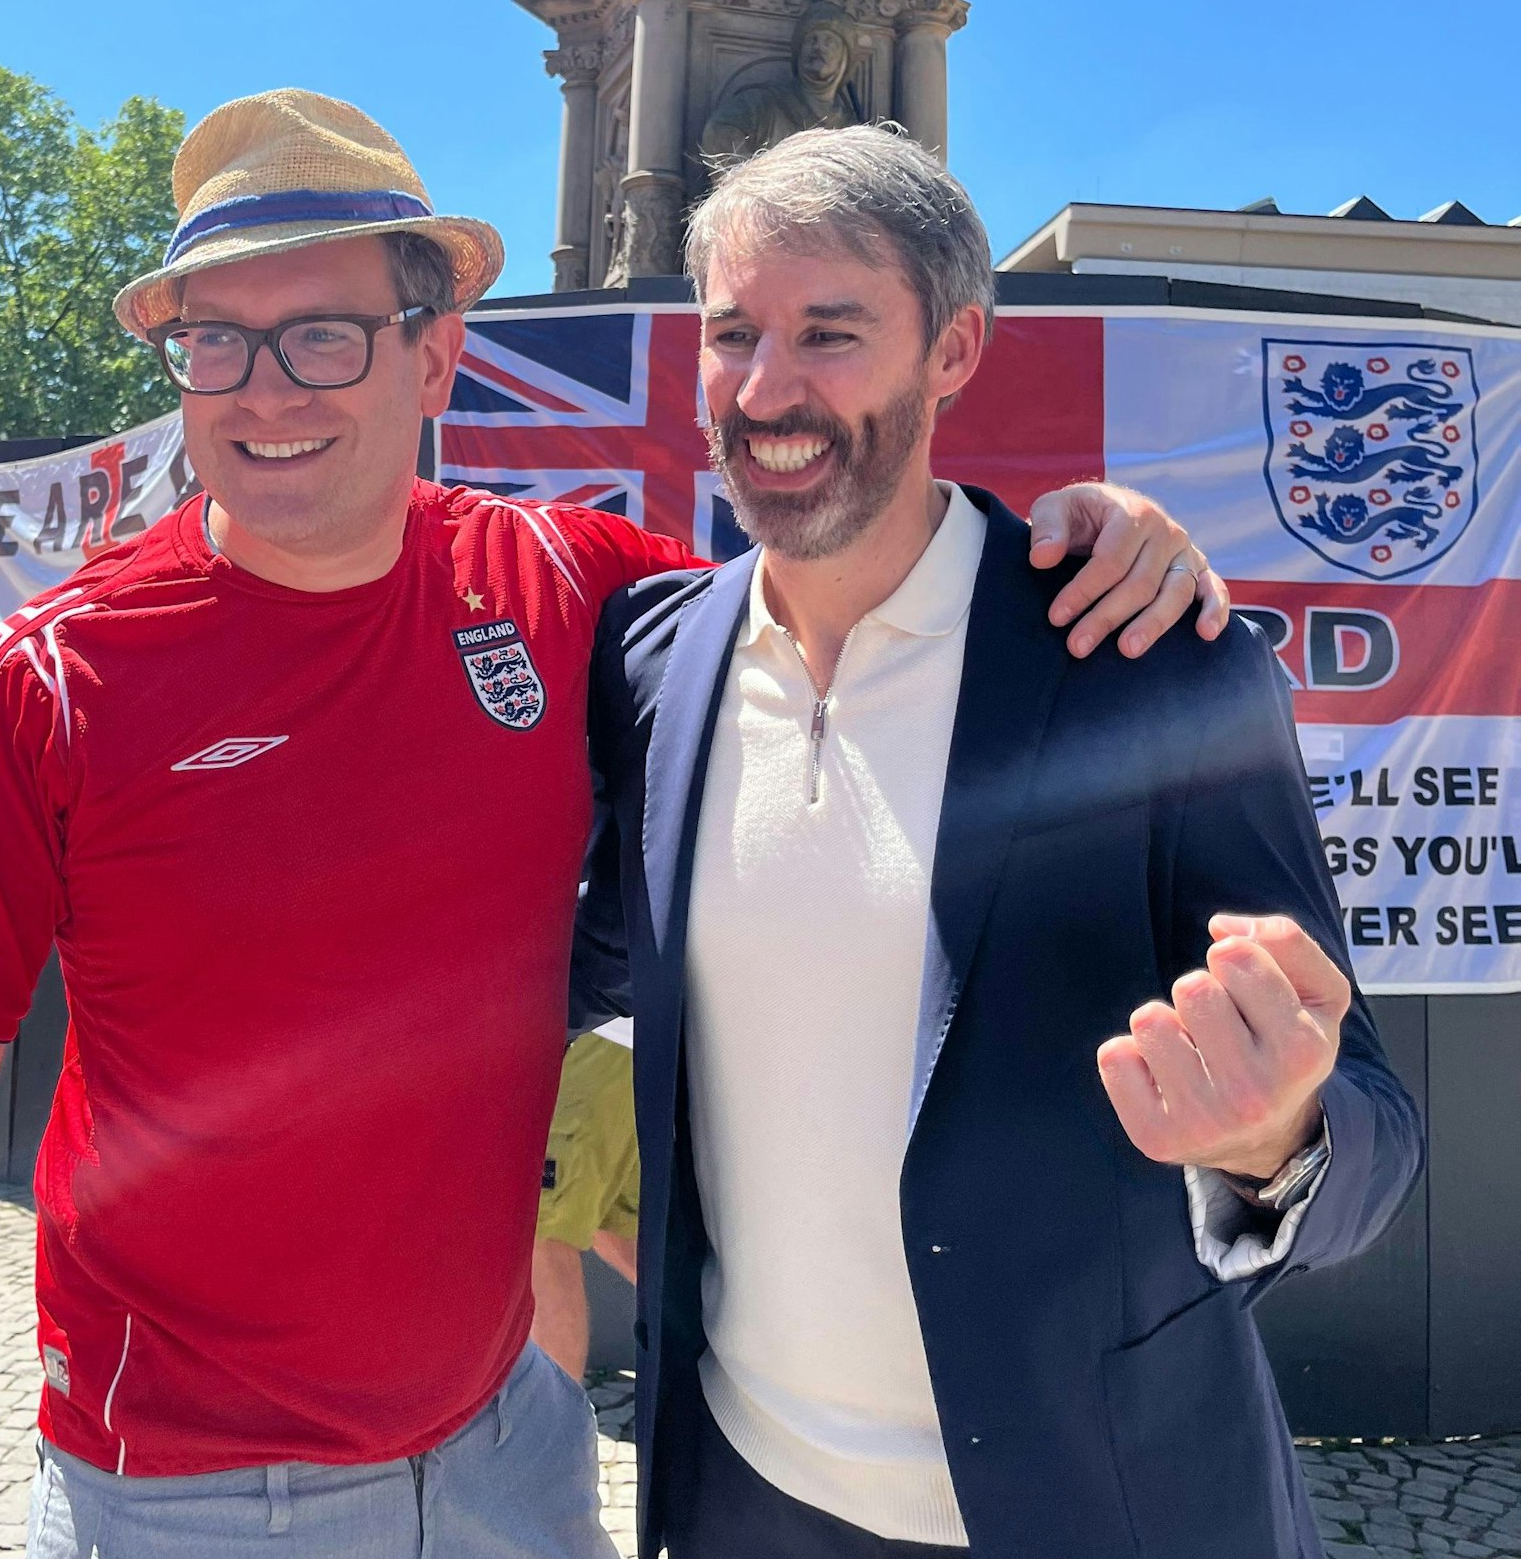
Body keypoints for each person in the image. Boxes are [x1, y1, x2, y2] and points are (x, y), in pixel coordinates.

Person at [0, 90, 1225, 1559]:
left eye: (321, 337)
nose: (263, 393)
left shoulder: (558, 578)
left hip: (508, 1443)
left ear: (435, 356)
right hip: (194, 1492)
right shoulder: (57, 676)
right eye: (215, 342)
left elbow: (831, 582)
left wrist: (1072, 537)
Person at [571, 123, 1425, 1559]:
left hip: (1089, 1505)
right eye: (731, 334)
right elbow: (560, 954)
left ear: (953, 348)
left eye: (830, 333)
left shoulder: (1143, 659)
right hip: (738, 1495)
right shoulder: (653, 660)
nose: (764, 390)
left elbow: (1376, 1130)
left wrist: (1272, 1140)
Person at [532, 1020, 639, 1384]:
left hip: (598, 1031)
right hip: (612, 1030)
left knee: (537, 1233)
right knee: (616, 1232)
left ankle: (551, 1419)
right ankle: (714, 1372)